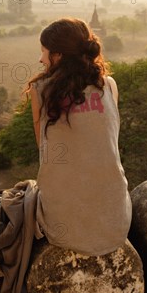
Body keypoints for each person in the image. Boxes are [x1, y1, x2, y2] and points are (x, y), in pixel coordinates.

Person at [27, 17, 132, 256]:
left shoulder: (41, 91)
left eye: (44, 52)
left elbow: (43, 151)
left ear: (59, 56)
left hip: (62, 226)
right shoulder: (110, 86)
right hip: (116, 222)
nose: (41, 59)